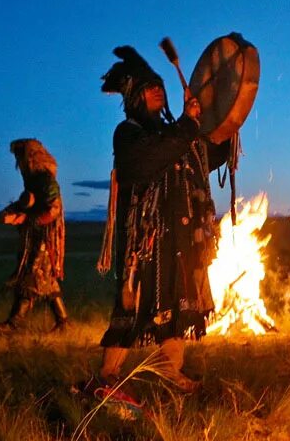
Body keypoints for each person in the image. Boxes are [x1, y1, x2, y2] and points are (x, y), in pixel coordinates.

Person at [92, 46, 230, 395]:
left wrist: (220, 120)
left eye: (159, 85)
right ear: (134, 97)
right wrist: (187, 124)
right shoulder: (129, 132)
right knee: (133, 306)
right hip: (145, 239)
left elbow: (205, 152)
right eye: (148, 87)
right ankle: (106, 377)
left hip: (179, 239)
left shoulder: (177, 132)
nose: (157, 90)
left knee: (175, 306)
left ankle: (172, 372)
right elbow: (148, 160)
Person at [0, 138, 69, 334]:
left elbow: (53, 210)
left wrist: (28, 219)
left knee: (30, 276)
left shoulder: (45, 180)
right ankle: (63, 322)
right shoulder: (35, 179)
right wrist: (6, 213)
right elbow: (28, 203)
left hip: (45, 238)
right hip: (37, 235)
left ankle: (14, 324)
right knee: (45, 279)